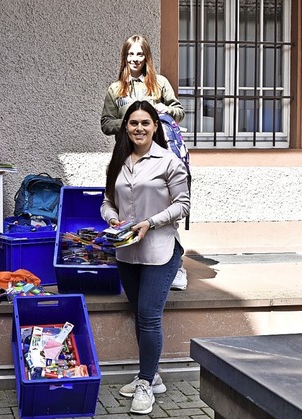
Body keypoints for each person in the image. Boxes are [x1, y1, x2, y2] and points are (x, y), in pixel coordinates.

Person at [100, 100, 190, 415]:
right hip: (126, 251)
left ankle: (144, 384)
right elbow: (107, 201)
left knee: (150, 316)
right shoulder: (119, 161)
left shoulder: (169, 162)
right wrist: (112, 218)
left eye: (145, 123)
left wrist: (151, 222)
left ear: (155, 126)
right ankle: (153, 376)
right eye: (133, 123)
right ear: (125, 127)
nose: (139, 128)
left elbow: (183, 205)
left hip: (161, 250)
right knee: (140, 315)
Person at [101, 34, 188, 291]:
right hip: (125, 155)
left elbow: (179, 111)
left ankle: (175, 264)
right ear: (124, 57)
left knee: (159, 202)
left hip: (156, 154)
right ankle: (132, 259)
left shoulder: (159, 83)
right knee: (128, 204)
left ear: (146, 56)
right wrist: (130, 122)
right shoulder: (115, 89)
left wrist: (162, 110)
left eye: (140, 54)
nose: (135, 59)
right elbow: (105, 123)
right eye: (131, 54)